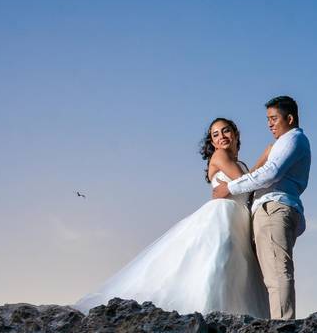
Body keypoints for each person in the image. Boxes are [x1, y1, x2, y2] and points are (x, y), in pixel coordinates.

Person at [74, 118, 270, 318]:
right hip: (223, 216)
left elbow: (246, 180)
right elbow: (244, 181)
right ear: (212, 143)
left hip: (239, 219)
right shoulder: (220, 156)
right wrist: (264, 159)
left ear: (236, 133)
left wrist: (260, 162)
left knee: (236, 270)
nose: (221, 137)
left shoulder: (240, 164)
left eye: (226, 131)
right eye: (215, 135)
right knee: (218, 263)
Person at [213, 95, 310, 320]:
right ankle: (279, 324)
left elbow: (270, 173)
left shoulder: (292, 139)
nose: (270, 124)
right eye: (268, 119)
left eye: (274, 118)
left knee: (277, 273)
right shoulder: (284, 143)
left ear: (290, 118)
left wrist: (231, 187)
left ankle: (283, 329)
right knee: (271, 275)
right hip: (270, 210)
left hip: (274, 208)